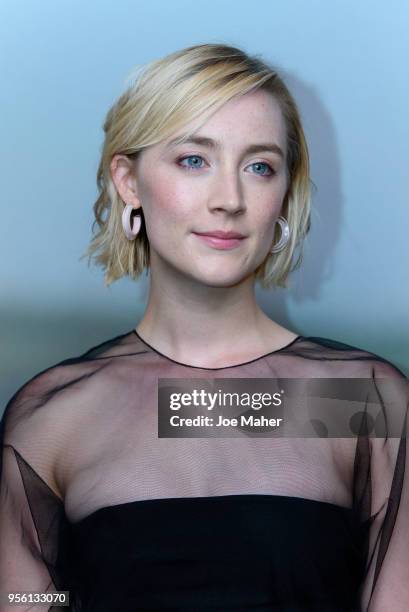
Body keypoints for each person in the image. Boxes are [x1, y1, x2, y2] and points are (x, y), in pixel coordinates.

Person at [0, 43, 408, 612]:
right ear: (129, 182)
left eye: (259, 166)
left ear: (283, 196)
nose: (229, 200)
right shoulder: (55, 416)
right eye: (194, 160)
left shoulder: (358, 400)